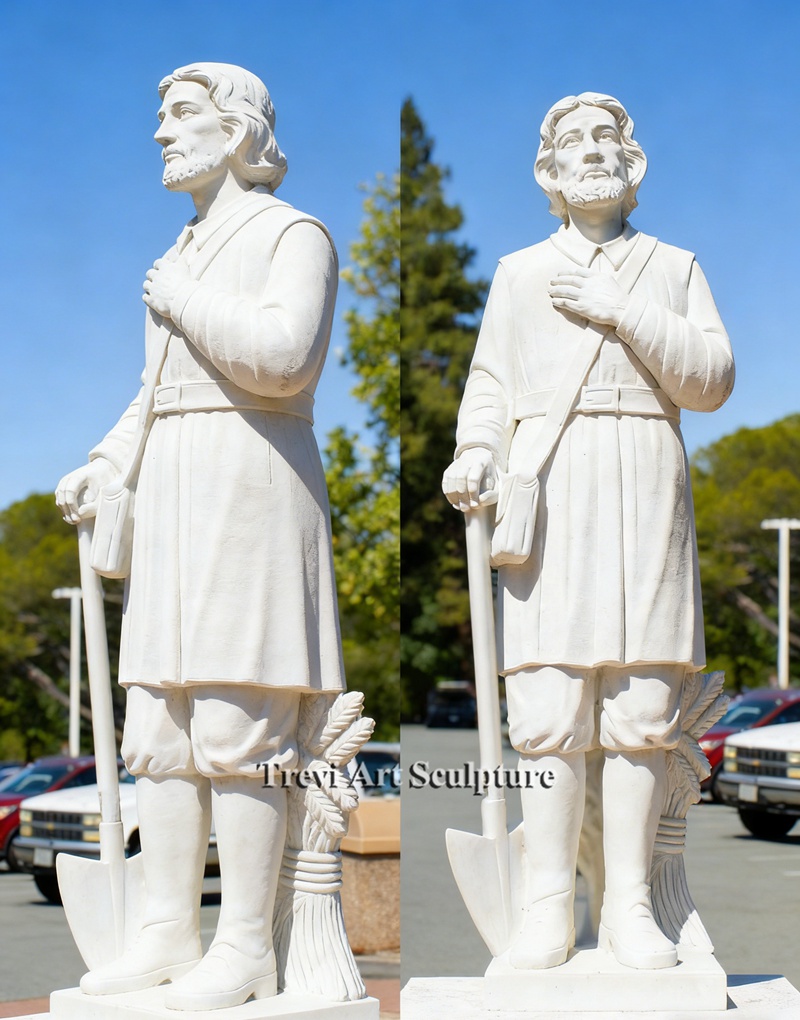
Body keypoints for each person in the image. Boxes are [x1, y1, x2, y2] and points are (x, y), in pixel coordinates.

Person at [55, 62, 344, 1010]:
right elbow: (157, 390)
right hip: (177, 484)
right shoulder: (181, 248)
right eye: (161, 116)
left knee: (237, 721)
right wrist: (108, 464)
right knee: (160, 730)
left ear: (239, 130)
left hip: (251, 481)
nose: (161, 133)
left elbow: (282, 358)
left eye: (180, 115)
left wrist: (180, 298)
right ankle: (168, 930)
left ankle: (247, 947)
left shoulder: (292, 233)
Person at [442, 92, 734, 971]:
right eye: (575, 142)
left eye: (608, 137)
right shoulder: (520, 273)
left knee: (643, 706)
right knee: (549, 706)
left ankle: (631, 903)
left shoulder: (674, 266)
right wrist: (474, 451)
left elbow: (713, 378)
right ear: (551, 173)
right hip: (551, 479)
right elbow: (490, 383)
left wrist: (622, 307)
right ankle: (545, 906)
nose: (594, 151)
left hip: (646, 471)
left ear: (631, 162)